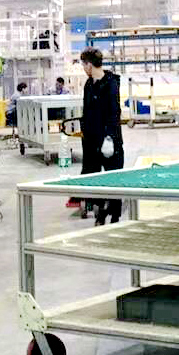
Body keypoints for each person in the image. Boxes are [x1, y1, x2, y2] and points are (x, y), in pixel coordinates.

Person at [80, 47, 124, 225]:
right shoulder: (88, 85)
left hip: (109, 141)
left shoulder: (111, 84)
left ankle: (114, 216)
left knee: (114, 179)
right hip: (92, 141)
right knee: (92, 177)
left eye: (84, 65)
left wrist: (110, 138)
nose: (84, 69)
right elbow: (87, 112)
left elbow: (114, 113)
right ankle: (100, 212)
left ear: (89, 65)